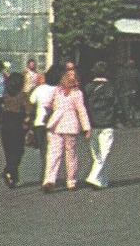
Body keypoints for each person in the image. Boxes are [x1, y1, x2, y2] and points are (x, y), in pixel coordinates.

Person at [41, 68, 91, 192]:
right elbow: (47, 103)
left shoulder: (76, 93)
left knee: (68, 154)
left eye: (73, 76)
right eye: (69, 76)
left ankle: (70, 180)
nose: (71, 78)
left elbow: (82, 111)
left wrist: (86, 128)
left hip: (65, 124)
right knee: (56, 153)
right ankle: (50, 180)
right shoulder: (58, 90)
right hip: (59, 125)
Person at [81, 61, 122, 189]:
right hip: (107, 123)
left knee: (96, 153)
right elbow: (117, 106)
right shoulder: (111, 87)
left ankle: (101, 181)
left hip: (92, 123)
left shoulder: (88, 87)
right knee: (105, 152)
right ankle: (94, 177)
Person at [0, 61, 34, 188]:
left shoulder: (6, 95)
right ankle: (9, 171)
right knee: (18, 151)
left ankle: (12, 176)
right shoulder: (23, 95)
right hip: (18, 124)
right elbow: (29, 111)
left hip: (6, 123)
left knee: (8, 151)